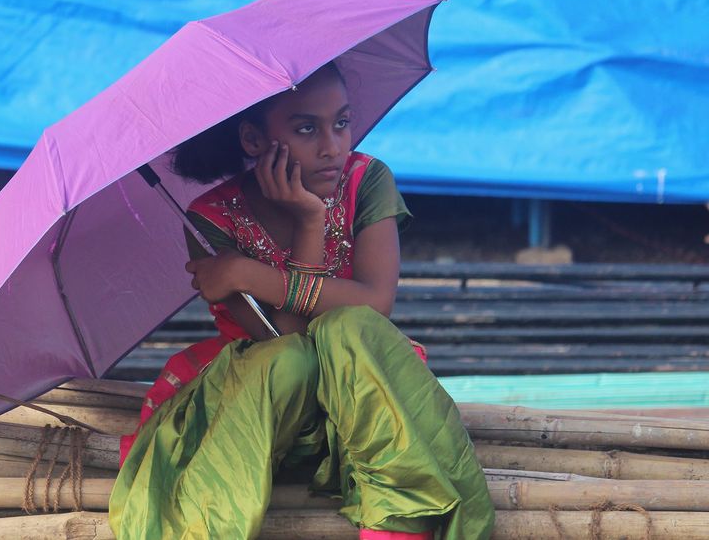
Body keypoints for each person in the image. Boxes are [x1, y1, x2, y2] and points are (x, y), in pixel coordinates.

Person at [109, 62, 495, 539]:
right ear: (254, 141)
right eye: (307, 128)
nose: (333, 146)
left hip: (362, 397)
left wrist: (268, 259)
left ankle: (399, 524)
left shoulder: (366, 181)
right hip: (271, 409)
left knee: (348, 329)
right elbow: (289, 340)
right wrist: (307, 232)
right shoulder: (210, 219)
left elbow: (375, 304)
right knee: (290, 359)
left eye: (342, 122)